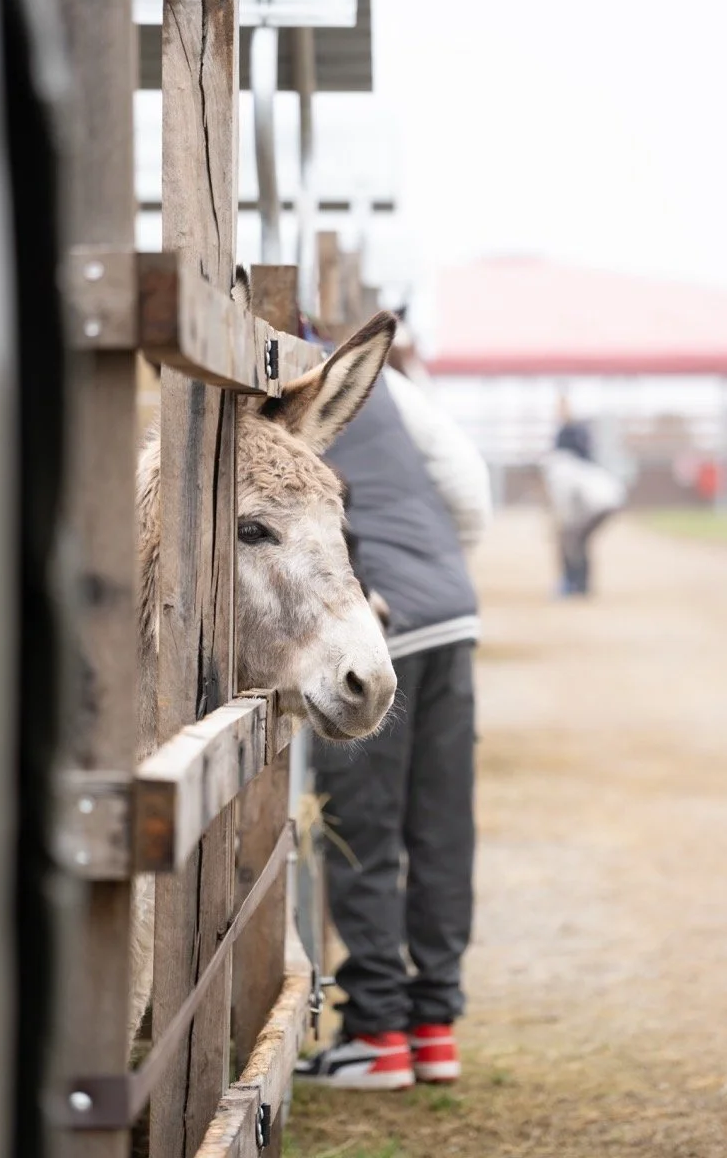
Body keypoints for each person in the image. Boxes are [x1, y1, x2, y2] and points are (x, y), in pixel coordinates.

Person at [296, 358, 491, 1091]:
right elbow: (467, 481)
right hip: (450, 609)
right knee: (441, 823)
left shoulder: (279, 379)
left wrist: (390, 591)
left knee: (361, 829)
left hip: (370, 618)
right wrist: (441, 575)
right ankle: (434, 1027)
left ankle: (377, 1035)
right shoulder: (378, 378)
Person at [541, 398, 625, 596]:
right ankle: (580, 585)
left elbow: (565, 507)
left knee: (570, 539)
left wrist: (560, 525)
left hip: (600, 504)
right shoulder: (573, 464)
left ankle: (573, 584)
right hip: (609, 500)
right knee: (578, 541)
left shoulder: (560, 469)